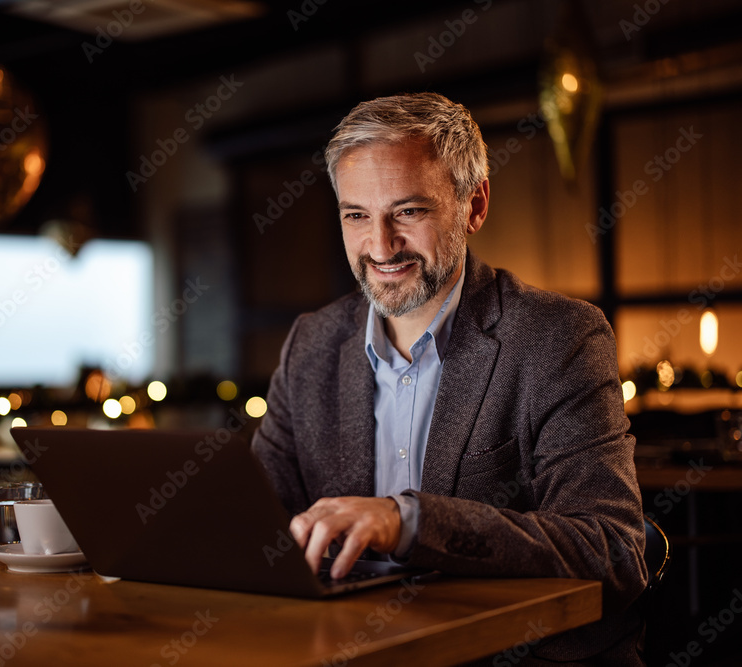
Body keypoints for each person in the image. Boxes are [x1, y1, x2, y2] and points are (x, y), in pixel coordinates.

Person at [251, 92, 648, 664]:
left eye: (409, 211)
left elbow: (610, 551)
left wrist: (408, 521)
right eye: (357, 216)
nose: (381, 246)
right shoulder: (311, 343)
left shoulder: (560, 337)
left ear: (474, 204)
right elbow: (256, 527)